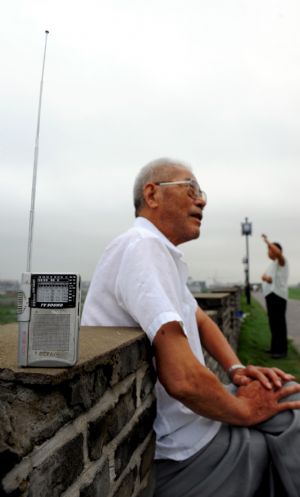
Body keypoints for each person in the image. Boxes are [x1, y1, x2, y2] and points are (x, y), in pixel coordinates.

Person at [81, 158, 300, 497]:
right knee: (290, 417)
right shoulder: (142, 247)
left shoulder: (160, 254)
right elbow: (182, 378)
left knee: (288, 398)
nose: (202, 200)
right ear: (152, 194)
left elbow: (198, 317)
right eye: (191, 189)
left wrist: (237, 369)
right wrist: (244, 410)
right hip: (186, 444)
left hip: (198, 423)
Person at [261, 234, 289, 358]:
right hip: (271, 296)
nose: (269, 252)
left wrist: (267, 241)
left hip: (279, 296)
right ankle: (274, 348)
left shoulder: (282, 261)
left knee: (279, 323)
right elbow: (267, 278)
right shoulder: (272, 264)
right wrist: (266, 278)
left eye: (271, 249)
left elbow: (278, 253)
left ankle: (282, 350)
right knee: (273, 323)